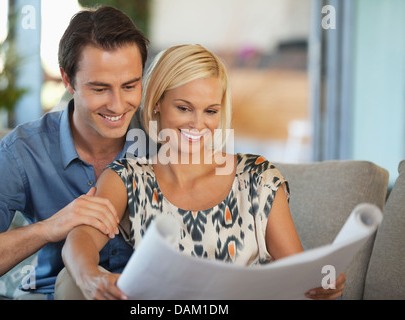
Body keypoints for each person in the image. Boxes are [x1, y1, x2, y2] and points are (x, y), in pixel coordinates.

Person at [58, 44, 346, 300]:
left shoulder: (257, 177)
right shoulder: (127, 177)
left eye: (210, 111)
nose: (198, 124)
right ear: (157, 103)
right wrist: (89, 276)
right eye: (184, 108)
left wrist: (322, 284)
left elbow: (296, 271)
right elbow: (80, 238)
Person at [0, 6, 149, 299]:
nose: (118, 105)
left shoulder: (162, 142)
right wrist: (49, 228)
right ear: (68, 81)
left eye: (130, 86)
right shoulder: (22, 151)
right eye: (100, 89)